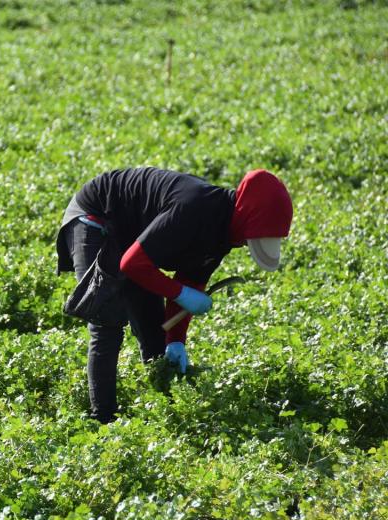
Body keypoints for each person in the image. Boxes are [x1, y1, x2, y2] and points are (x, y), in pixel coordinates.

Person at [56, 168, 293, 423]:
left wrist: (176, 340)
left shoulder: (224, 235)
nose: (246, 245)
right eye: (250, 239)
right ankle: (102, 420)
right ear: (247, 218)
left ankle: (162, 412)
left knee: (155, 334)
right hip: (96, 218)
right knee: (107, 320)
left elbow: (189, 280)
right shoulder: (193, 208)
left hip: (132, 238)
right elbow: (133, 265)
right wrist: (181, 293)